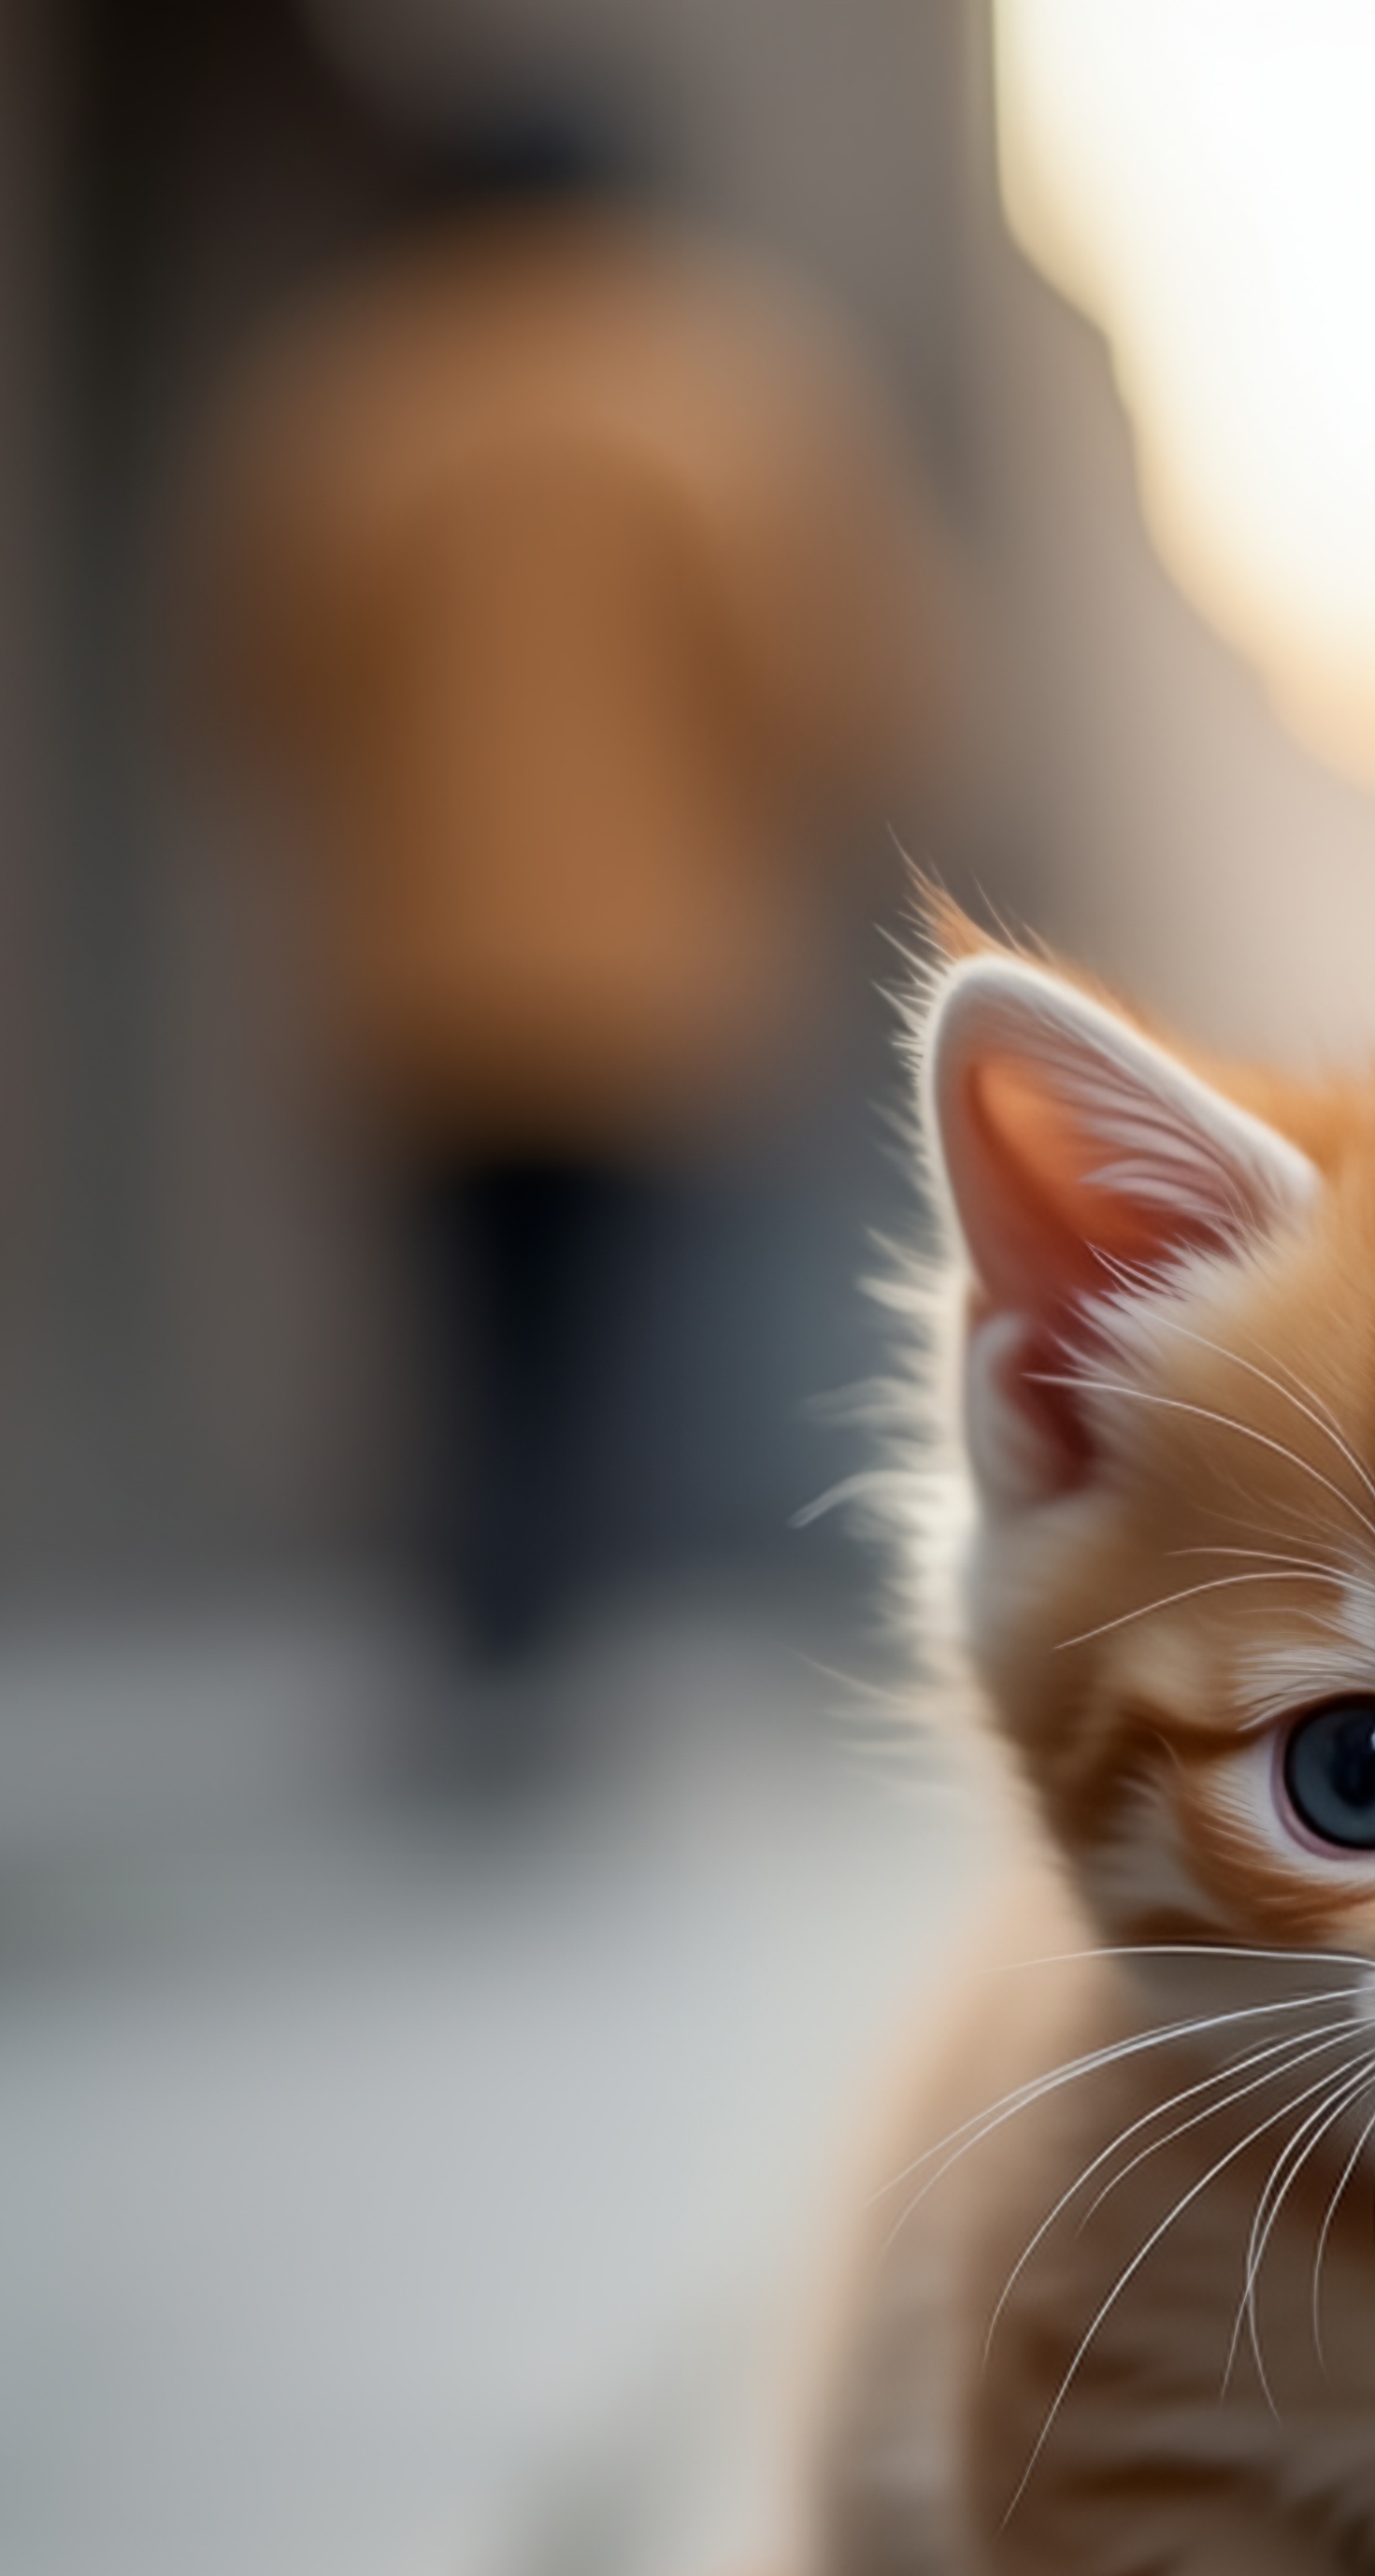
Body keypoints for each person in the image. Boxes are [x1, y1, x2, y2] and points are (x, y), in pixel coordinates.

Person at [190, 117, 950, 1682]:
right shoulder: (720, 388)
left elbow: (257, 670)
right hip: (658, 962)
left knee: (464, 1305)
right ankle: (568, 1618)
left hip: (416, 951)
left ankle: (480, 1604)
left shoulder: (356, 392)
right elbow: (832, 677)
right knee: (615, 1308)